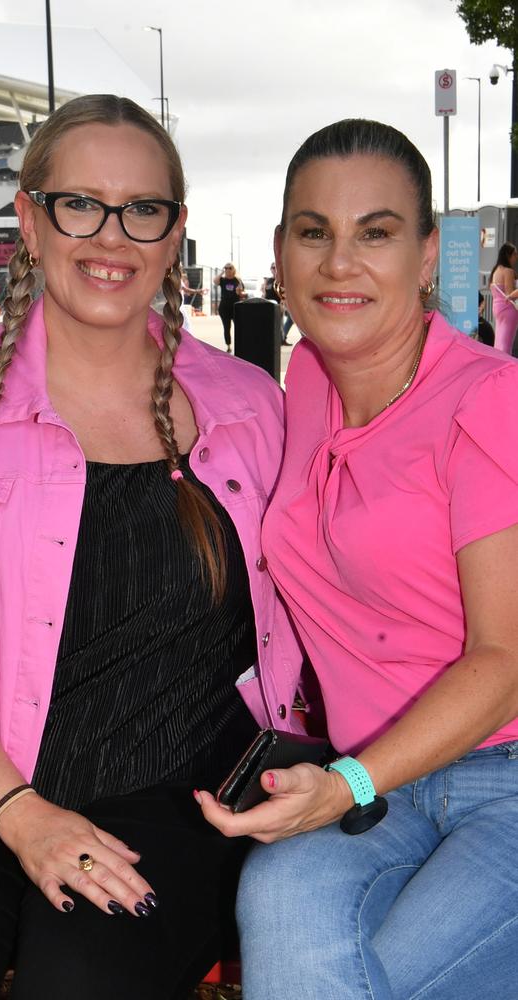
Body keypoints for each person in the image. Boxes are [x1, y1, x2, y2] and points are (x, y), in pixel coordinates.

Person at [0, 94, 303, 1000]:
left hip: (178, 792)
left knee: (83, 982)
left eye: (142, 209)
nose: (112, 237)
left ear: (174, 231)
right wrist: (20, 812)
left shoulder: (251, 402)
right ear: (30, 218)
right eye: (80, 204)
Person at [197, 119, 518, 999]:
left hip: (497, 774)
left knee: (388, 980)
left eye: (375, 232)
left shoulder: (491, 401)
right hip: (378, 782)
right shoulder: (300, 381)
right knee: (282, 908)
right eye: (315, 232)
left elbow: (507, 660)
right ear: (281, 253)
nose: (340, 263)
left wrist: (344, 784)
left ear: (426, 257)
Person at [489, 241, 518, 353]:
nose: (516, 257)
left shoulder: (495, 271)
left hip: (498, 308)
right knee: (507, 342)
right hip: (508, 309)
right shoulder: (508, 271)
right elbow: (510, 293)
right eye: (515, 254)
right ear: (508, 255)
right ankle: (506, 365)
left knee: (500, 339)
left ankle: (498, 363)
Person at [213, 262, 244, 351]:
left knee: (239, 326)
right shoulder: (223, 280)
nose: (227, 270)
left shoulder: (237, 280)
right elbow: (215, 281)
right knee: (227, 327)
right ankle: (228, 345)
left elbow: (241, 292)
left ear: (233, 269)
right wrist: (222, 272)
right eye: (226, 268)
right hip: (224, 308)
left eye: (230, 268)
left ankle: (240, 344)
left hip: (235, 307)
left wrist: (239, 292)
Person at [261, 262, 290, 345]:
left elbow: (284, 293)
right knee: (268, 324)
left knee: (279, 325)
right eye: (273, 268)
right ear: (270, 269)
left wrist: (282, 304)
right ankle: (269, 340)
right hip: (267, 306)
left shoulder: (281, 280)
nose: (274, 269)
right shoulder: (268, 280)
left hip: (277, 306)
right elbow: (265, 293)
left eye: (276, 267)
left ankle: (281, 340)